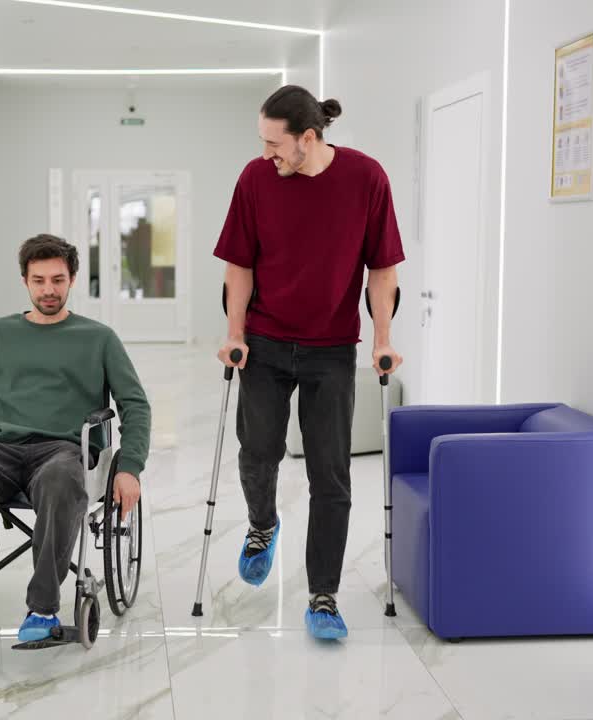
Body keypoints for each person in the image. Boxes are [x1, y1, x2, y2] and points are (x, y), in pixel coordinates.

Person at [213, 85, 405, 640]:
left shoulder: (366, 179)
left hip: (330, 349)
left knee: (331, 474)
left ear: (309, 138)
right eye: (262, 142)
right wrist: (234, 332)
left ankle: (323, 595)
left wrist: (383, 337)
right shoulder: (255, 179)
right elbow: (238, 265)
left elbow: (383, 268)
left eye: (276, 144)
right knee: (258, 451)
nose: (267, 153)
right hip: (267, 341)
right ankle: (261, 525)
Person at [0, 234, 150, 642]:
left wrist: (130, 467)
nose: (49, 289)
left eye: (58, 280)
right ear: (25, 281)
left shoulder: (99, 338)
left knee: (61, 481)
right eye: (40, 280)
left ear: (73, 279)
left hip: (63, 451)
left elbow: (135, 404)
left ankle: (43, 609)